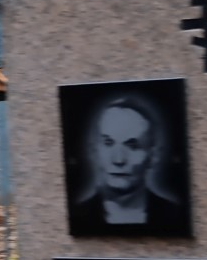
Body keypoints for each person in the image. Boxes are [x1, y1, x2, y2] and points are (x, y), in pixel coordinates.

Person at [71, 93, 190, 234]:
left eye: (132, 146)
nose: (118, 160)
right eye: (108, 143)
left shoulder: (176, 216)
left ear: (154, 156)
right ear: (94, 151)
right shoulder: (77, 216)